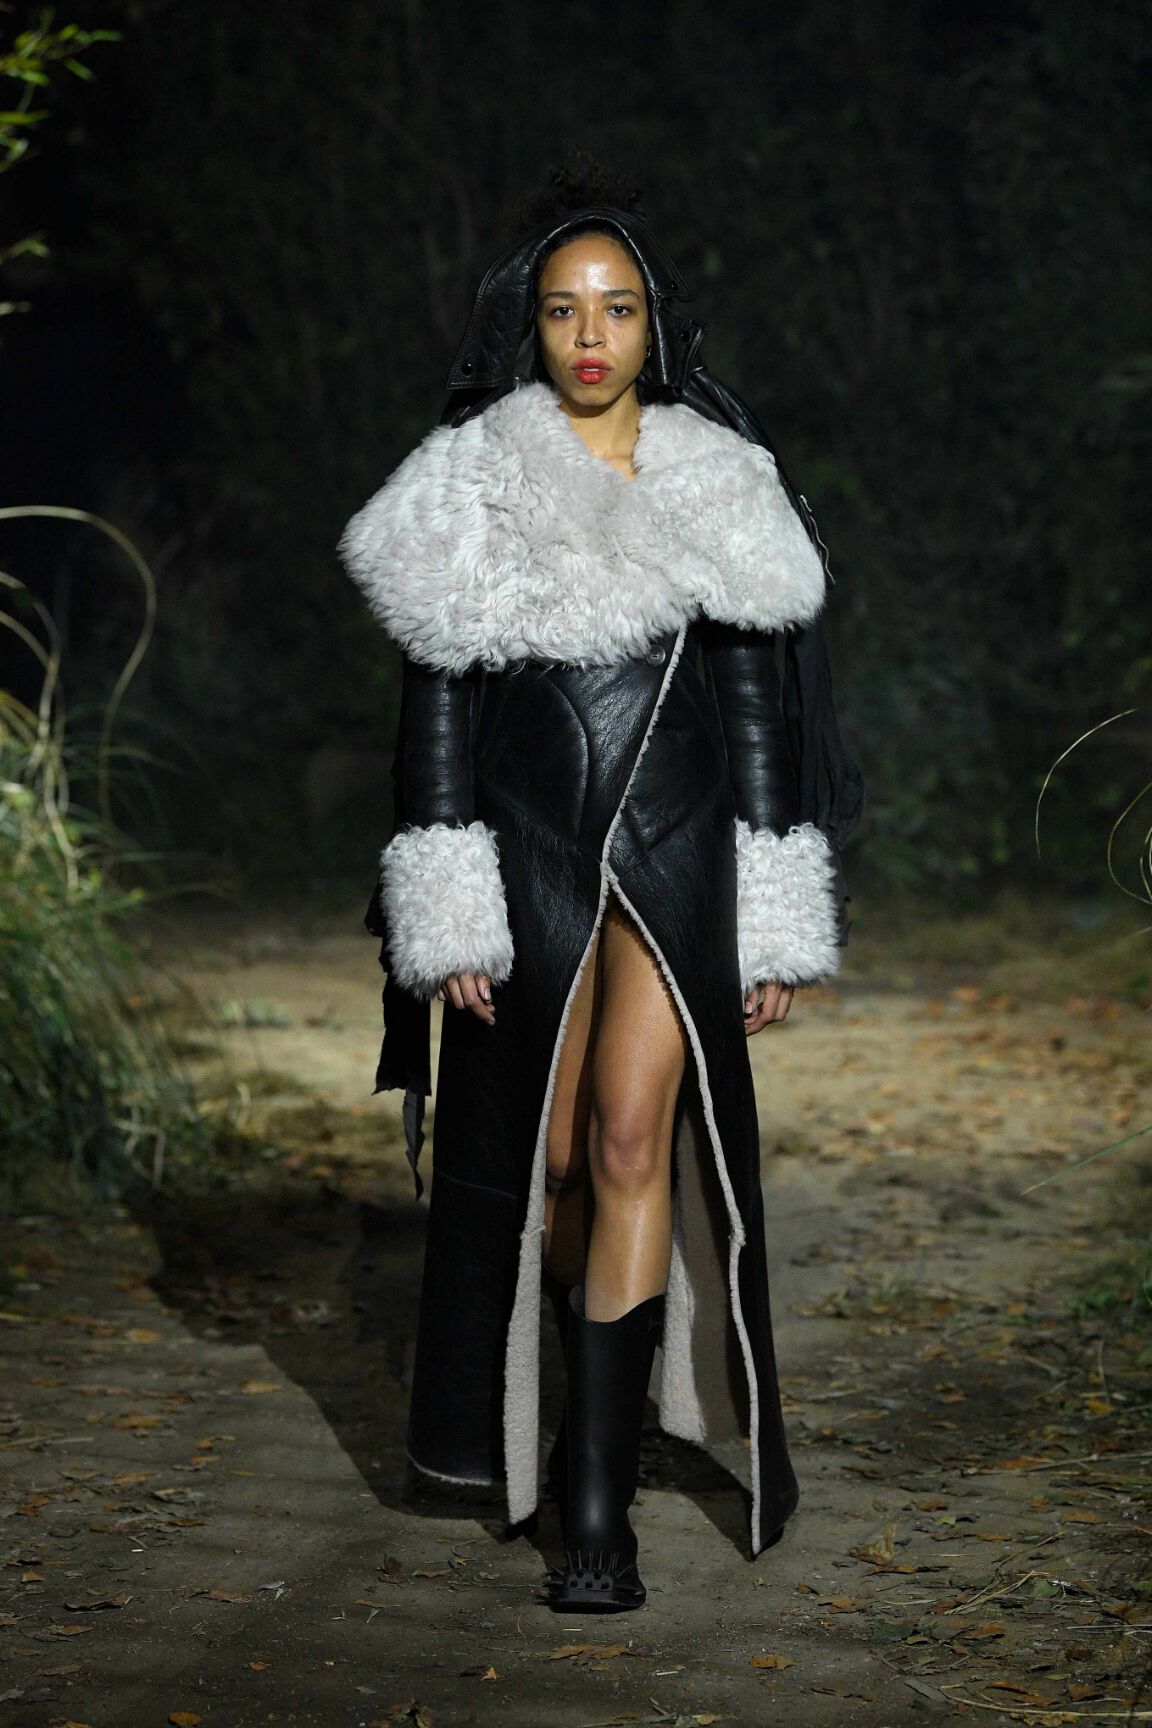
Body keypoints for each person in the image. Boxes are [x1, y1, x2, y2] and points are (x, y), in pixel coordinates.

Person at [339, 167, 863, 1613]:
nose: (590, 336)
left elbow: (758, 717)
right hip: (529, 859)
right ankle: (589, 1402)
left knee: (636, 1140)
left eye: (616, 309)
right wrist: (448, 895)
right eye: (566, 310)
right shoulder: (473, 478)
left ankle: (593, 1503)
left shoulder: (720, 482)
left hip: (683, 861)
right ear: (533, 325)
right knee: (557, 1162)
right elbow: (438, 712)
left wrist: (773, 906)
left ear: (653, 326)